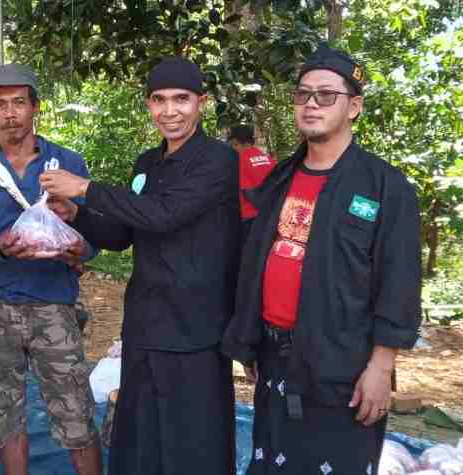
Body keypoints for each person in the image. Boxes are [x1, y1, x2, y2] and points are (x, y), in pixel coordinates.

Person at [222, 45, 421, 474]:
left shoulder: (385, 186)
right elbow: (256, 260)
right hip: (275, 358)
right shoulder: (280, 178)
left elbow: (399, 282)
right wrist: (249, 338)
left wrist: (381, 367)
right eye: (303, 94)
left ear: (354, 107)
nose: (311, 103)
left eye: (327, 95)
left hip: (343, 367)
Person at [40, 57, 239, 475]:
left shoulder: (217, 161)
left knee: (193, 444)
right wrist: (77, 214)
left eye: (181, 99)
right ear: (148, 104)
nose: (170, 111)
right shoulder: (147, 164)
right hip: (146, 324)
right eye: (159, 100)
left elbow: (164, 214)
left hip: (194, 330)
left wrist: (86, 188)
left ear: (201, 102)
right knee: (140, 439)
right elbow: (122, 235)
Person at [0, 64, 102, 475]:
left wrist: (79, 249)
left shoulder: (66, 162)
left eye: (19, 102)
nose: (10, 113)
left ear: (35, 107)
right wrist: (0, 248)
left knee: (76, 413)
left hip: (54, 306)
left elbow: (94, 236)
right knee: (4, 416)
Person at [228, 124, 276, 241]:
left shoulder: (240, 160)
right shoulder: (268, 159)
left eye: (233, 144)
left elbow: (250, 193)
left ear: (235, 142)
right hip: (270, 216)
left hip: (250, 219)